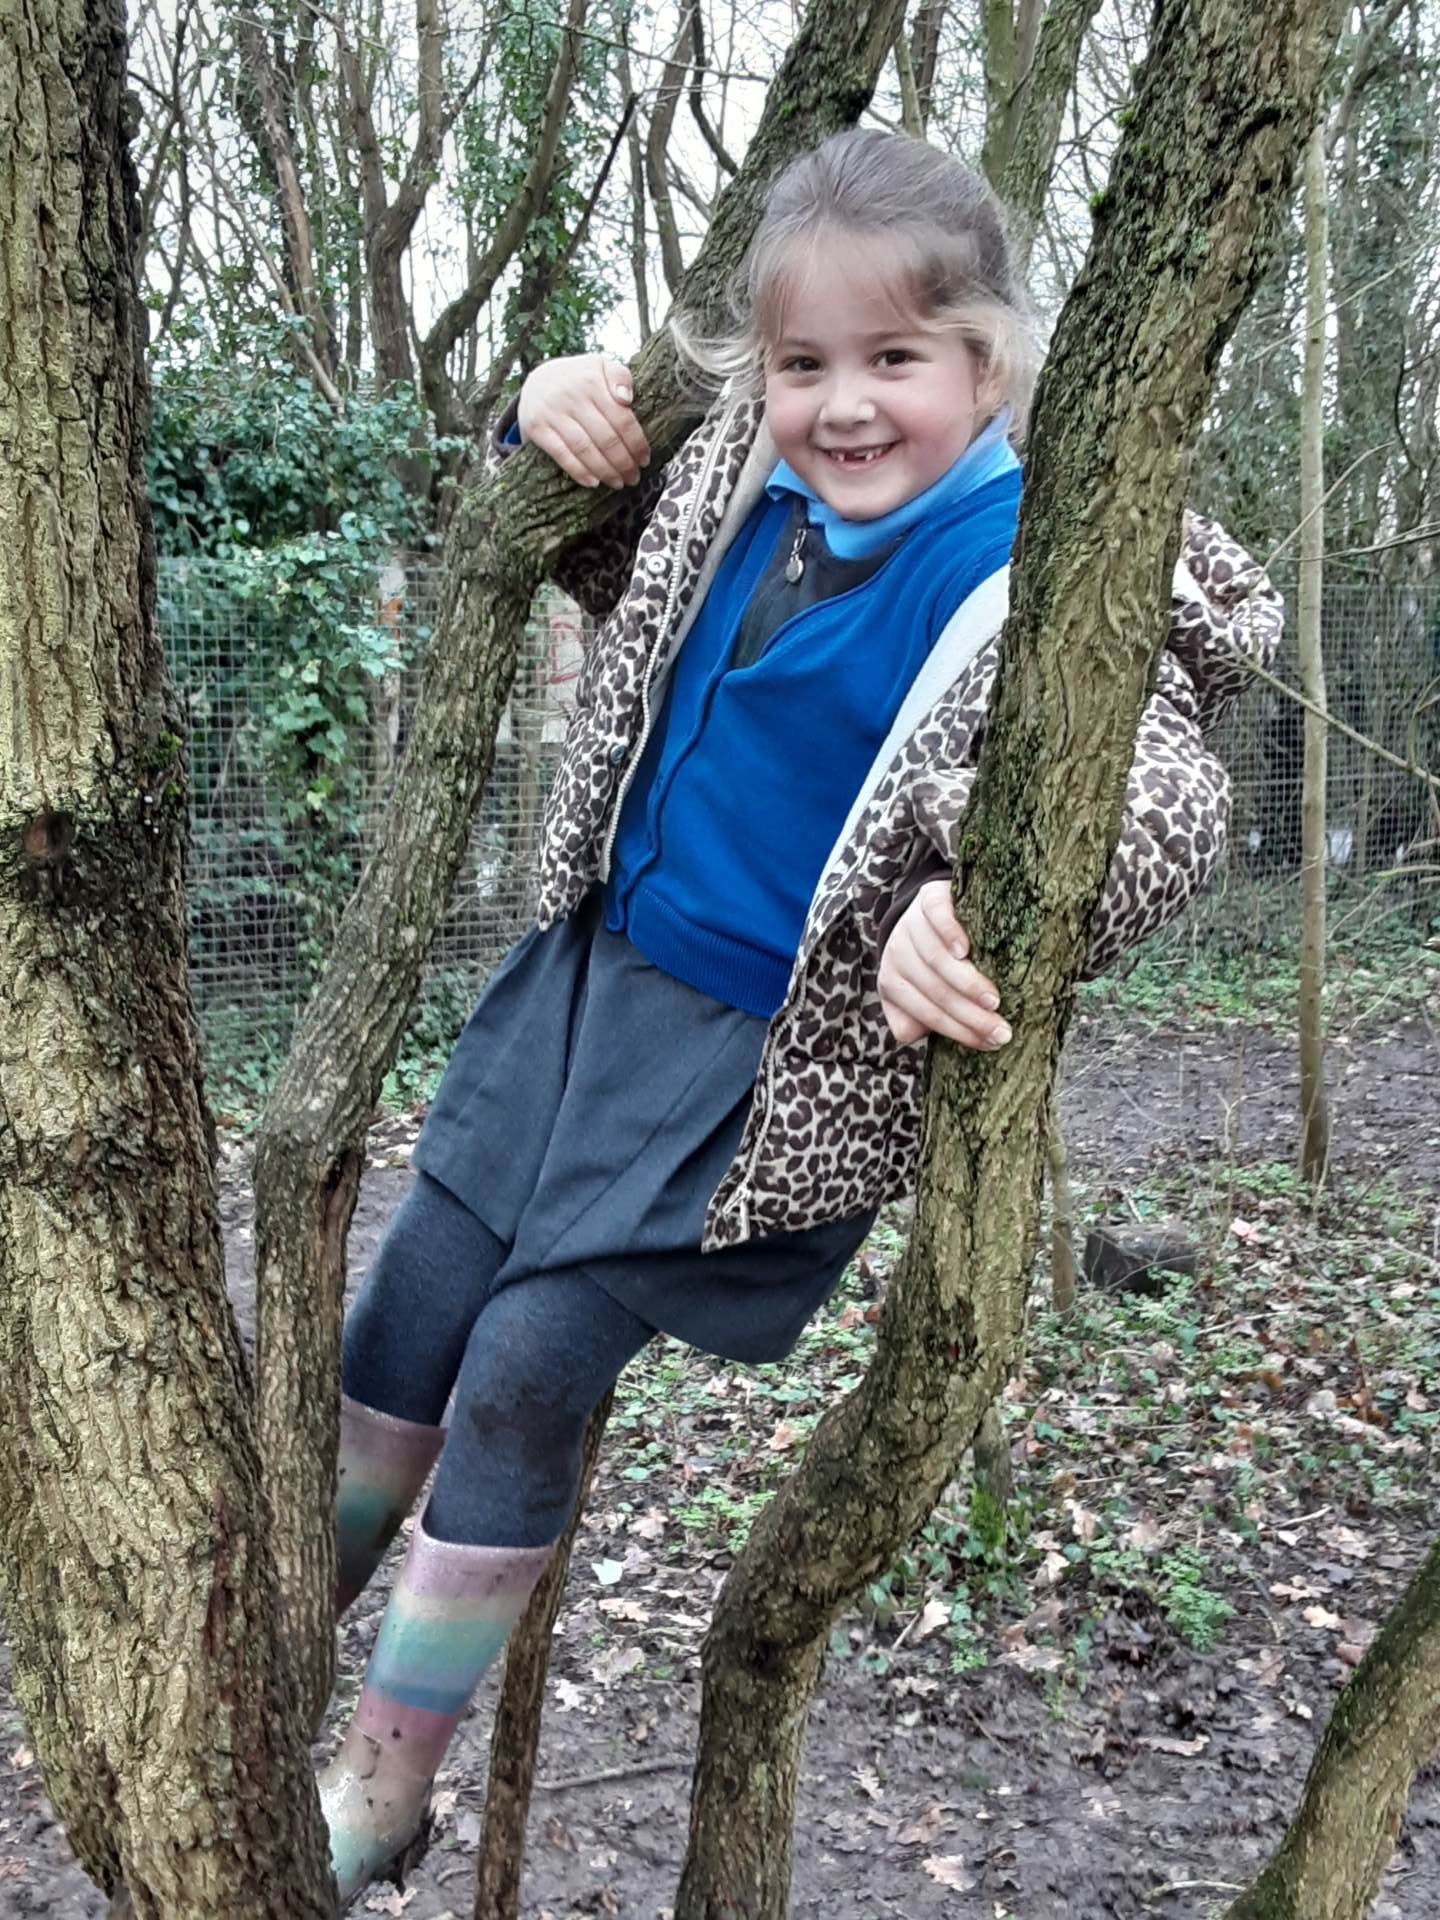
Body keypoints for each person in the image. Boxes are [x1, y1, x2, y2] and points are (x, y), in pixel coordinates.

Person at [317, 127, 1281, 1904]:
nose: (842, 406)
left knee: (523, 1368)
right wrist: (537, 417)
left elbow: (1161, 791)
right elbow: (605, 563)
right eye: (802, 361)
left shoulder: (1037, 566)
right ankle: (280, 1632)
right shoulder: (739, 483)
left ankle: (384, 1780)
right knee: (412, 1301)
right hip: (585, 990)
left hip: (756, 1071)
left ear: (989, 361)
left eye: (893, 359)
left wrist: (966, 898)